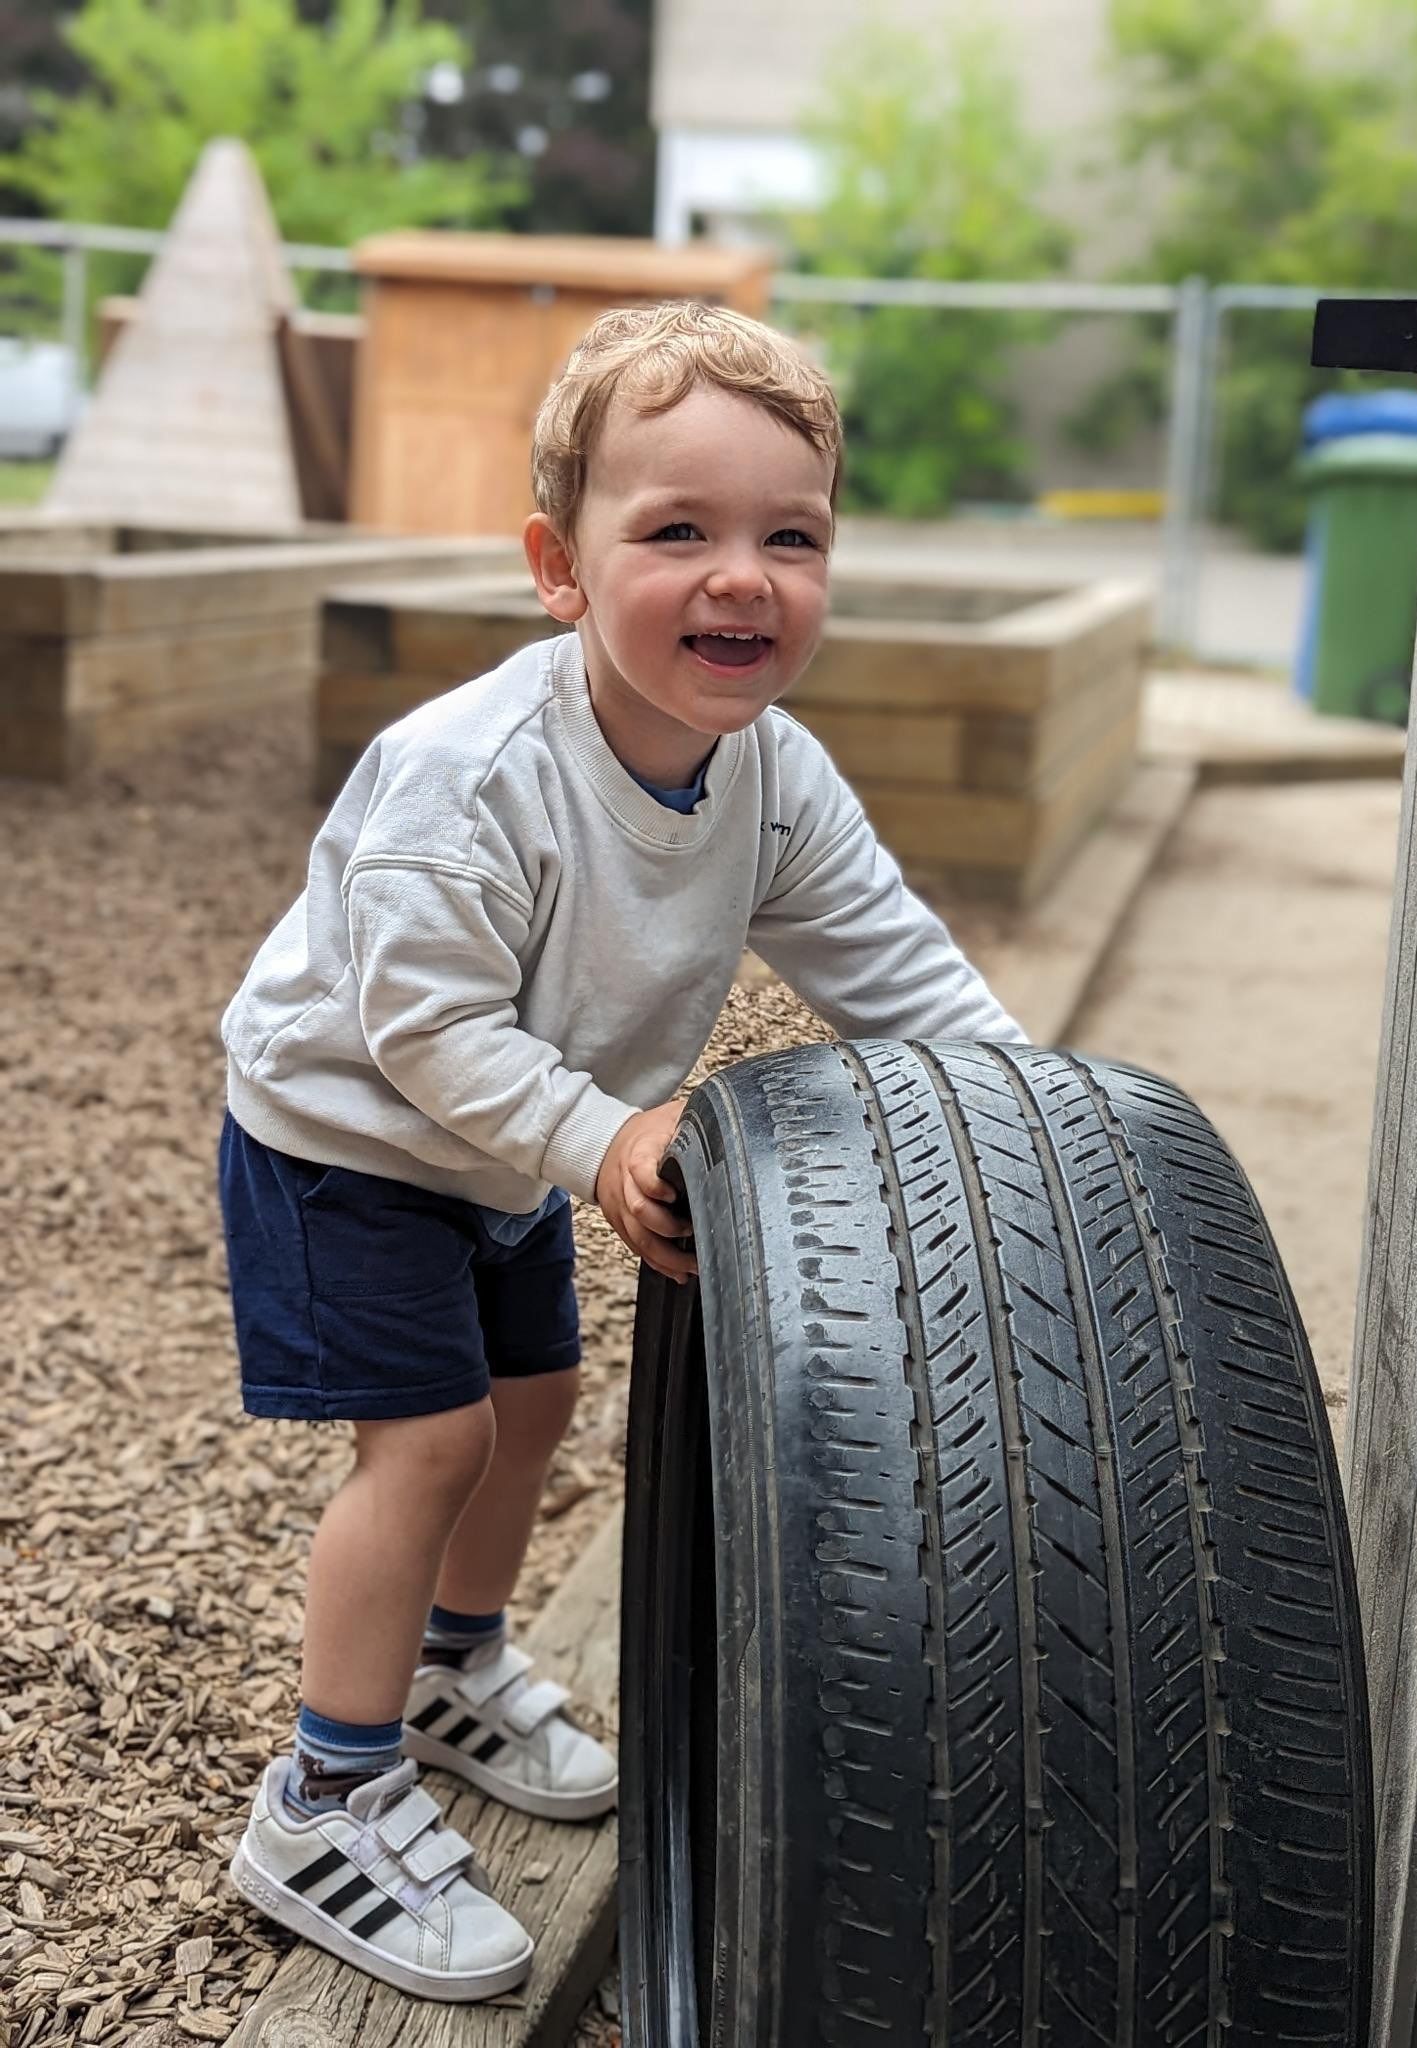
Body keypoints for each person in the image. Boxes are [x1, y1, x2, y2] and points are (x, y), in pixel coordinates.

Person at [219, 299, 1028, 2001]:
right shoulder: (472, 779)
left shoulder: (767, 776)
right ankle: (326, 1790)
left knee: (536, 1406)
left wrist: (1039, 1123)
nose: (742, 575)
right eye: (676, 530)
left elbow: (890, 962)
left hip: (510, 1147)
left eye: (786, 536)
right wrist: (598, 1137)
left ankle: (452, 1665)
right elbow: (423, 1031)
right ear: (557, 565)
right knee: (426, 1444)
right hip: (349, 1137)